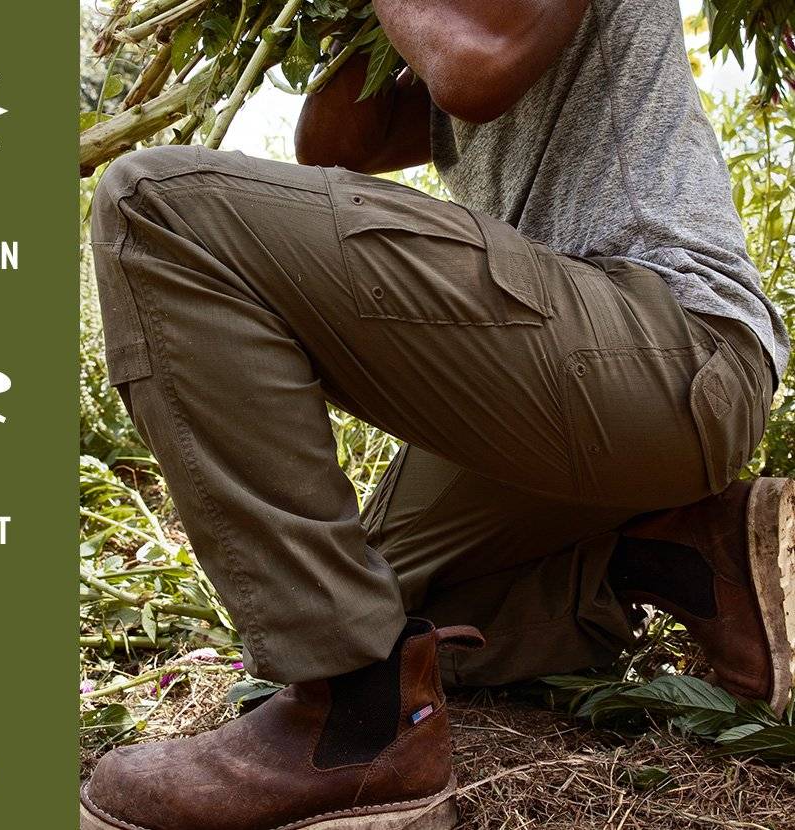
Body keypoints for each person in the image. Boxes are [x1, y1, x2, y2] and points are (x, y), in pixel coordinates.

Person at [80, 2, 794, 829]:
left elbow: (475, 66)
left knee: (157, 206)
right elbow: (336, 142)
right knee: (381, 604)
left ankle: (352, 727)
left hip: (670, 341)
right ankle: (672, 553)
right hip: (580, 396)